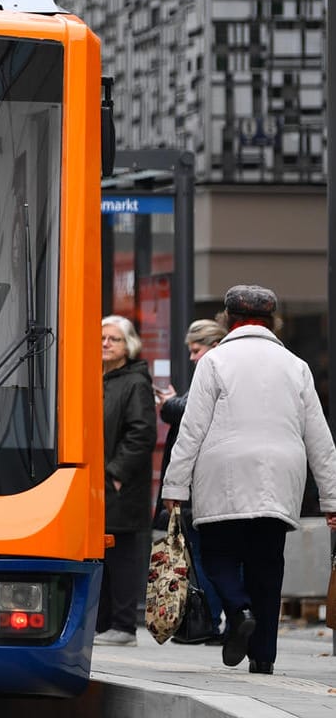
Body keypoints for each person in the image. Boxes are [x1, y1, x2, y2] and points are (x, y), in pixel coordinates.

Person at [161, 284, 336, 675]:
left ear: (227, 320)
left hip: (224, 471)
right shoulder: (297, 366)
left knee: (219, 554)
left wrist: (175, 486)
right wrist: (332, 499)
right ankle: (264, 657)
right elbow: (319, 438)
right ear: (272, 321)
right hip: (281, 474)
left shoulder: (215, 361)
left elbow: (192, 429)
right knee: (267, 565)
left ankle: (238, 612)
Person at [153, 317, 227, 642]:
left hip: (202, 484)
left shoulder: (215, 370)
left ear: (213, 346)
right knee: (202, 554)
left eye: (196, 350)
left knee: (201, 555)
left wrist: (168, 403)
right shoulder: (209, 371)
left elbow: (185, 412)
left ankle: (206, 620)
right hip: (202, 483)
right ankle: (211, 619)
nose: (193, 357)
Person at [96, 315, 156, 647]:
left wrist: (116, 474)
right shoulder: (98, 378)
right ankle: (104, 624)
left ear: (128, 346)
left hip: (120, 485)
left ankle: (123, 626)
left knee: (121, 557)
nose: (106, 344)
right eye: (102, 338)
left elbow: (141, 433)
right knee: (100, 556)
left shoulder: (134, 382)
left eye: (114, 339)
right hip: (97, 484)